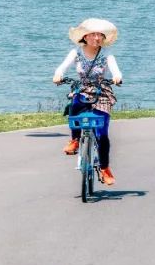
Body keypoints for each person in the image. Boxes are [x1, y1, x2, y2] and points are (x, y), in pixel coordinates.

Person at [53, 18, 123, 185]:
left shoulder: (107, 54)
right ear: (85, 37)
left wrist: (117, 77)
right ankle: (75, 139)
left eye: (100, 35)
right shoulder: (76, 52)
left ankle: (105, 168)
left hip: (101, 91)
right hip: (82, 88)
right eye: (93, 35)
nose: (97, 38)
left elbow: (115, 70)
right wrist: (58, 75)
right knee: (75, 103)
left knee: (102, 133)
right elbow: (62, 67)